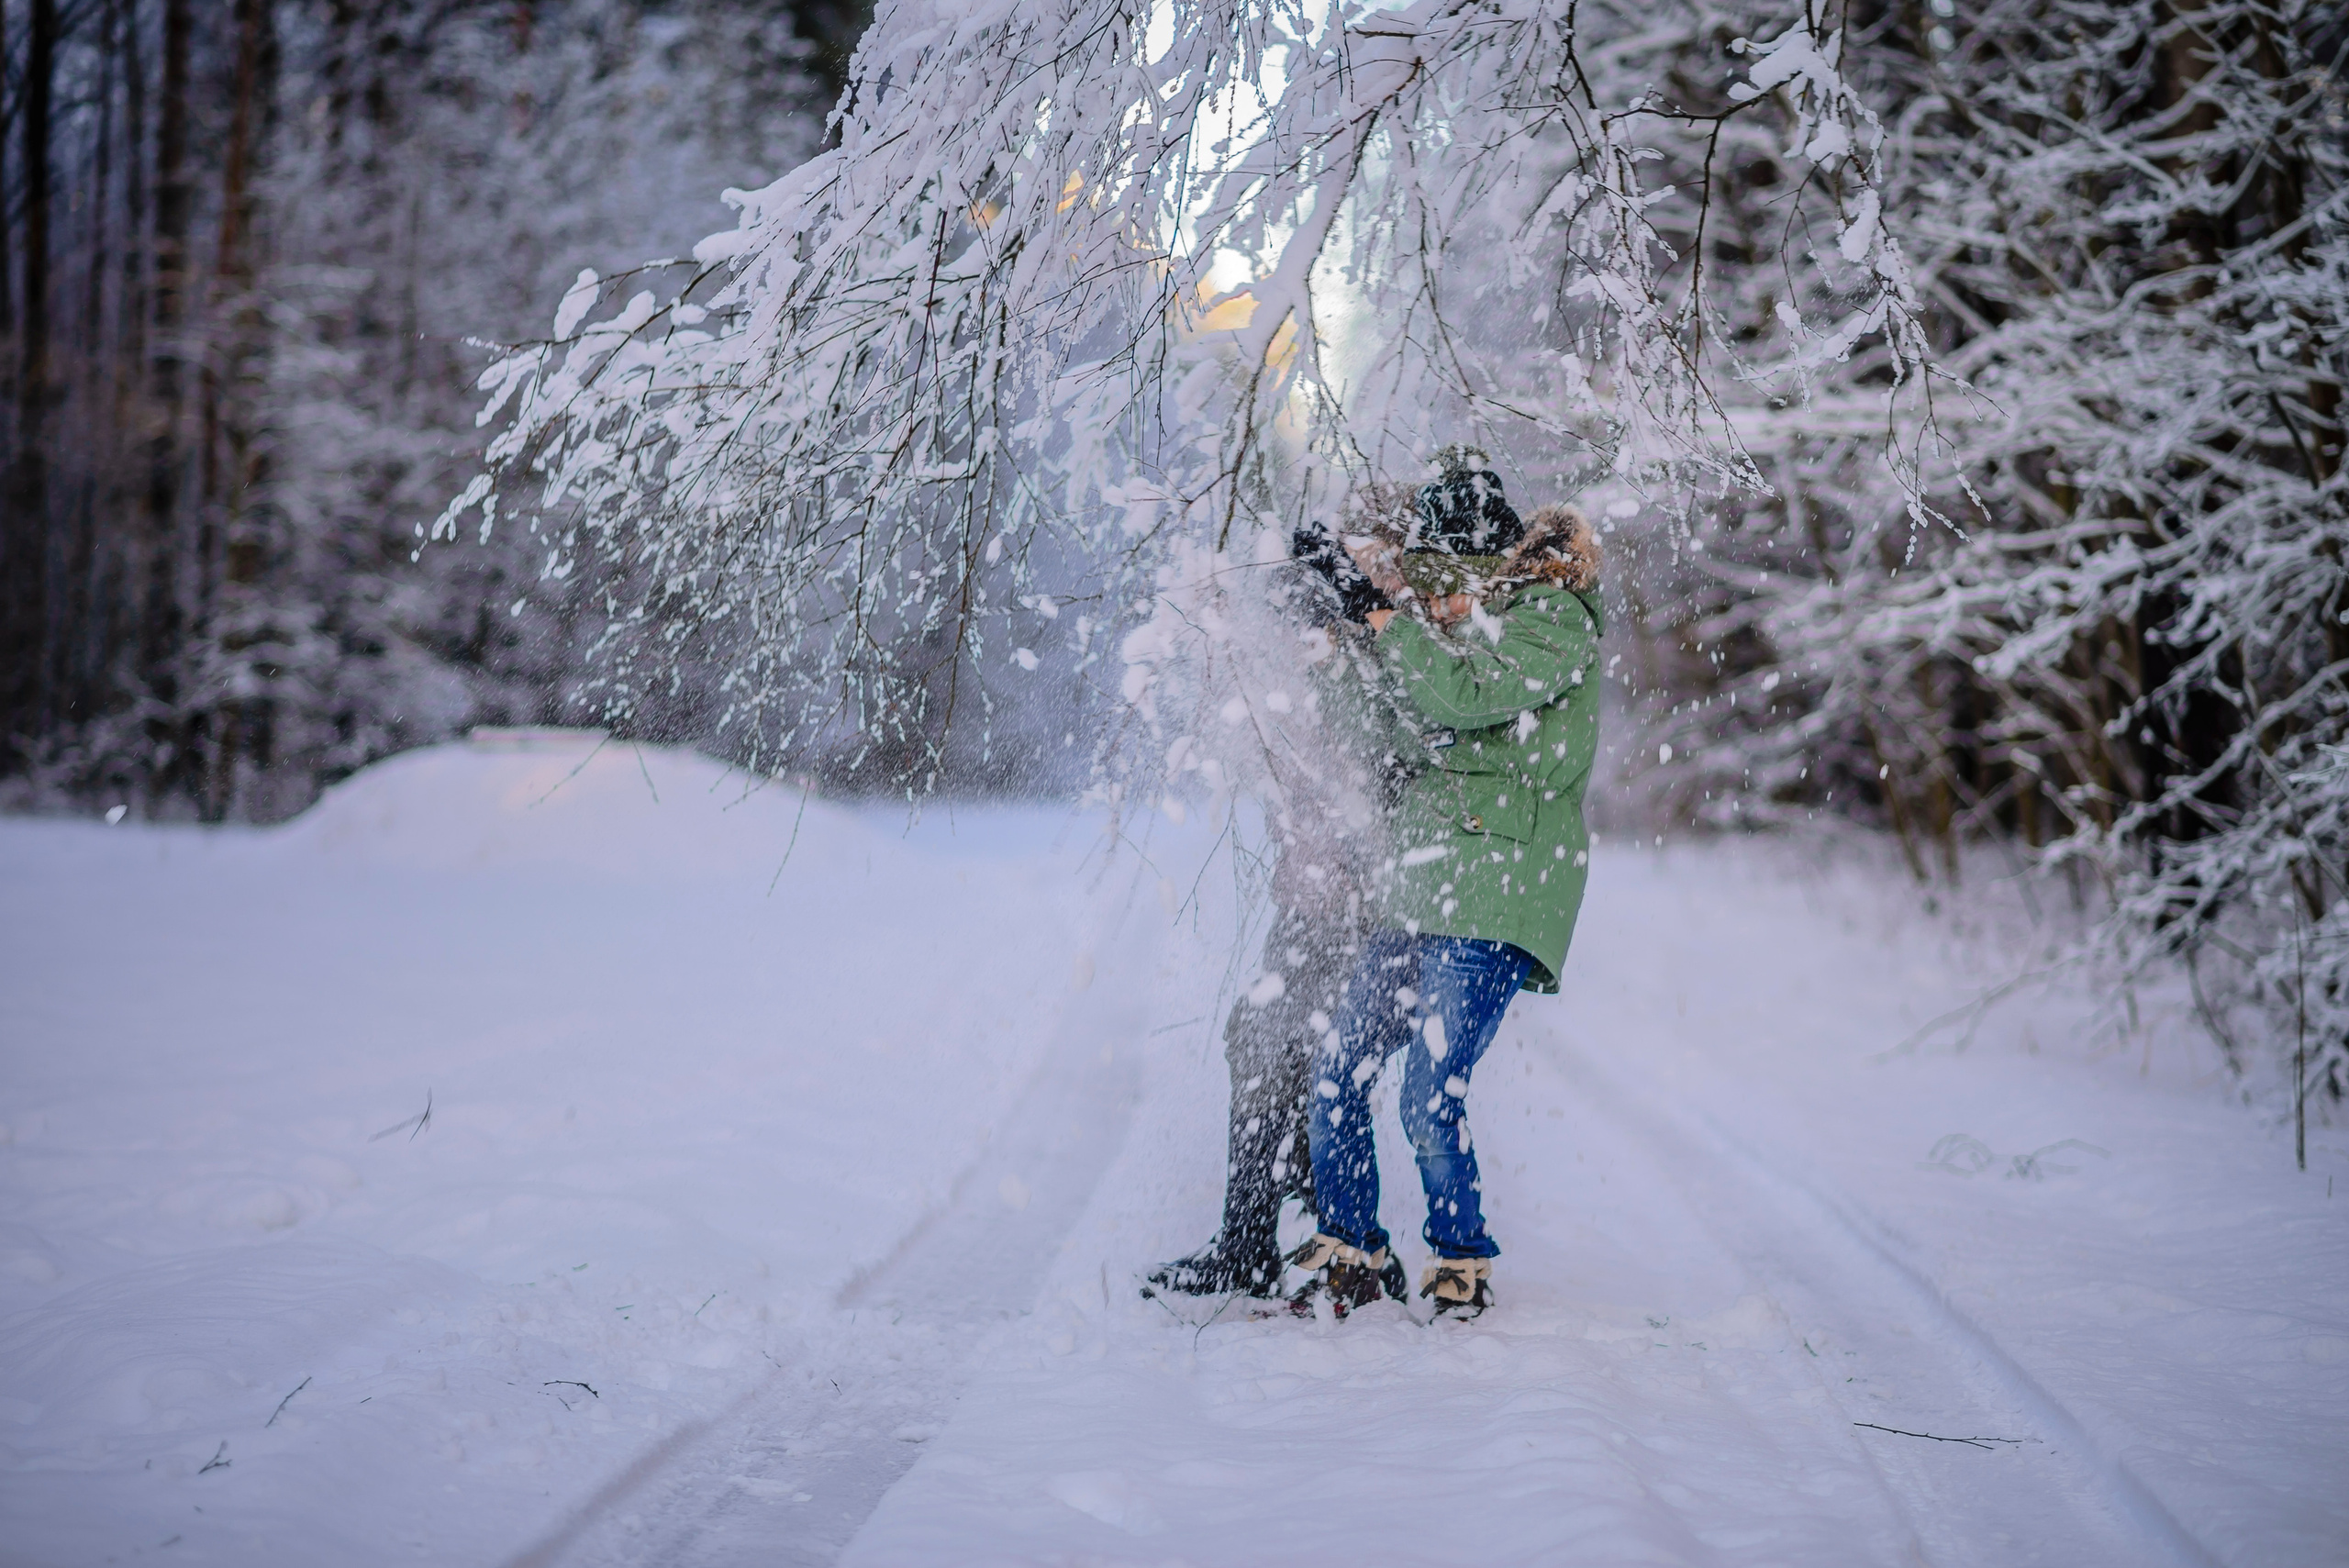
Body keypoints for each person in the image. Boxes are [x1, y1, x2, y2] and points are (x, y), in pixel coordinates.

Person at [1286, 456, 1606, 1320]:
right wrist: (1339, 641)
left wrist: (1386, 619)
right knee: (1339, 1068)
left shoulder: (1552, 619)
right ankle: (1350, 1248)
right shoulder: (1449, 633)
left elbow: (1467, 700)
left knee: (1431, 1092)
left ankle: (1461, 1259)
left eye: (1443, 575)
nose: (1433, 594)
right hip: (1420, 878)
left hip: (1500, 880)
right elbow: (1388, 733)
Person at [1142, 521, 1396, 1300]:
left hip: (1360, 915)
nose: (1298, 646)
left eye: (1310, 630)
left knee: (1312, 1059)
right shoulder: (1291, 695)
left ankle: (1333, 1245)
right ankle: (1260, 1236)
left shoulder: (1365, 684)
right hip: (1306, 908)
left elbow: (1374, 787)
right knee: (1263, 1042)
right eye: (1291, 632)